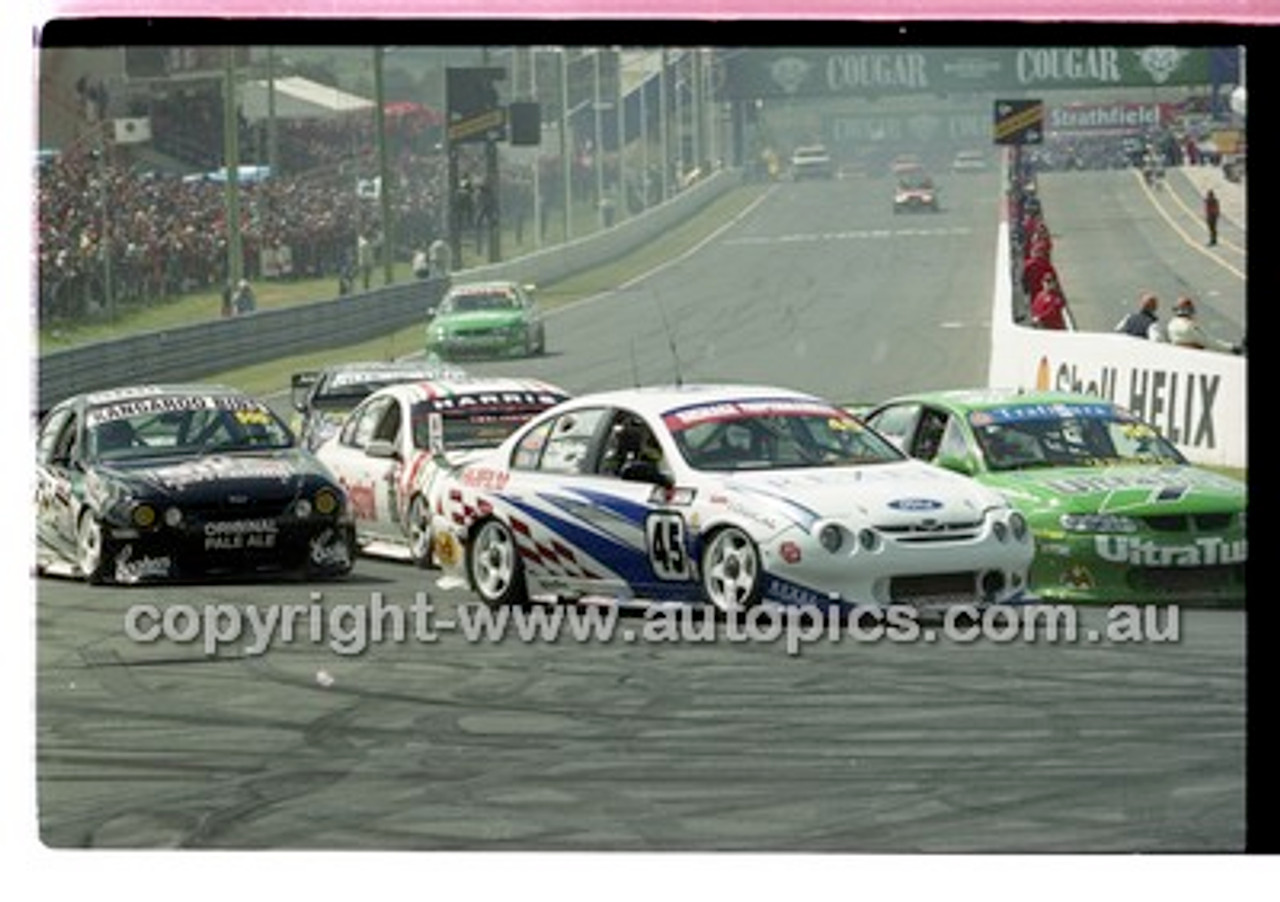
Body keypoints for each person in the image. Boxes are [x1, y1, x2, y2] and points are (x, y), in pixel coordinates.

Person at [1167, 297, 1241, 353]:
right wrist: (1232, 348)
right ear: (1189, 310)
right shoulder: (1189, 326)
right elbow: (1208, 342)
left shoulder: (1171, 325)